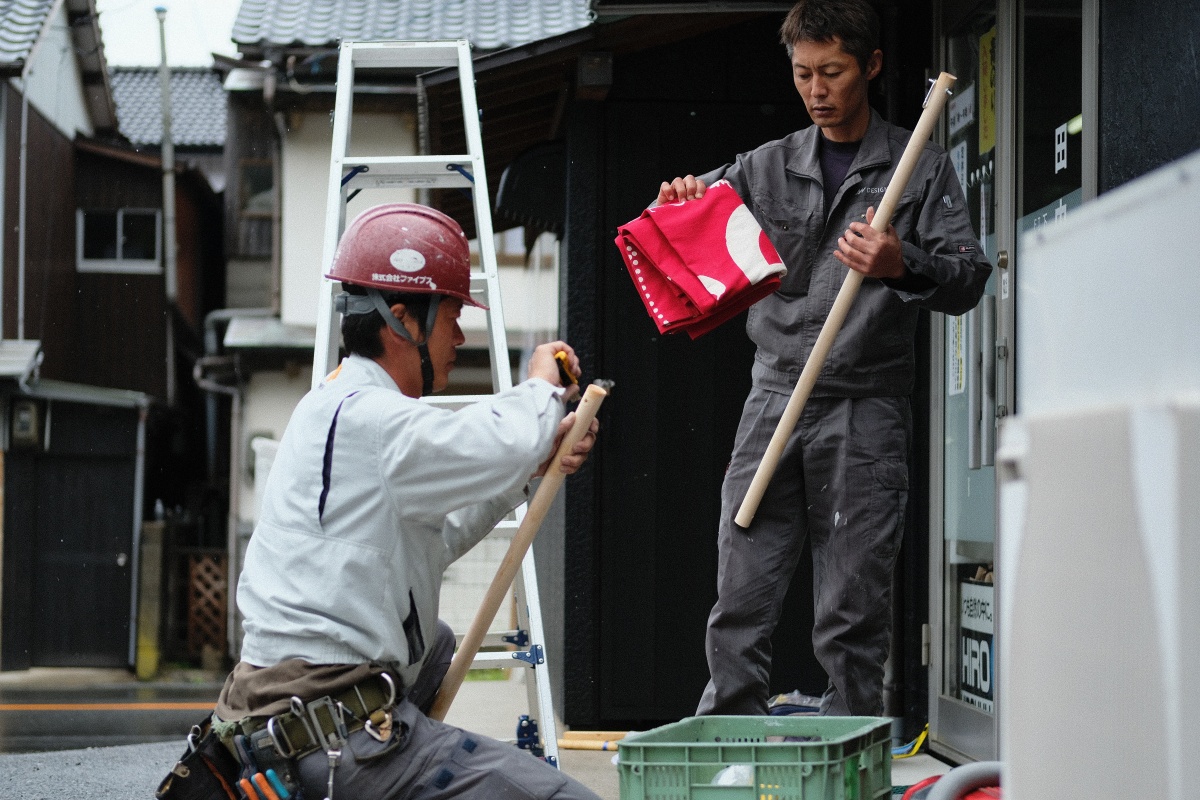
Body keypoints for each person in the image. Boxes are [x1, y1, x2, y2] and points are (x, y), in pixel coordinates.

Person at [657, 0, 991, 717]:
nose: (816, 89)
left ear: (869, 67)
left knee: (852, 600)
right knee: (742, 586)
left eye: (832, 72)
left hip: (866, 406)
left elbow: (969, 278)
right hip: (773, 397)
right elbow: (688, 236)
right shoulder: (764, 167)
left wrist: (903, 263)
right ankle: (729, 735)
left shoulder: (918, 167)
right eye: (803, 73)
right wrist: (682, 201)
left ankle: (851, 744)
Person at [211, 203, 601, 799]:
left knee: (434, 639)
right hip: (328, 740)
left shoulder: (336, 408)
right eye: (451, 317)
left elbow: (435, 536)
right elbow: (491, 439)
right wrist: (541, 387)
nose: (460, 337)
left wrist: (533, 468)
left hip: (288, 724)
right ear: (402, 320)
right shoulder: (370, 420)